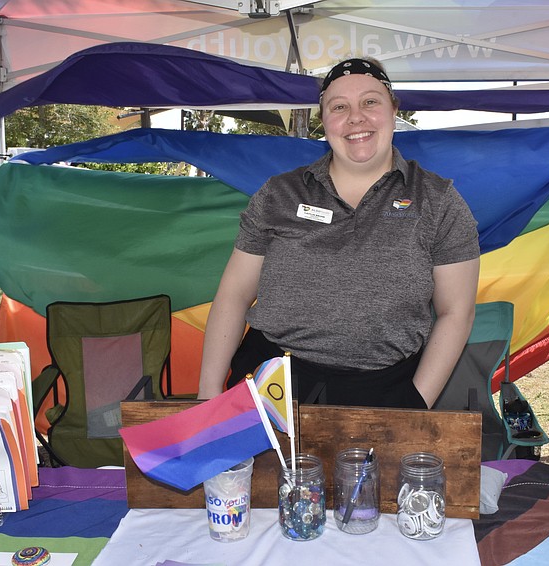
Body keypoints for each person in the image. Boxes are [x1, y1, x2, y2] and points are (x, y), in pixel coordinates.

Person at [198, 57, 480, 409]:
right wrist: (208, 394)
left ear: (393, 110)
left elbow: (457, 312)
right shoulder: (279, 194)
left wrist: (413, 403)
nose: (355, 117)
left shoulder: (438, 201)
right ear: (324, 120)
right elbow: (233, 296)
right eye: (339, 106)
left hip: (384, 391)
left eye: (370, 102)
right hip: (270, 383)